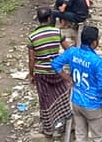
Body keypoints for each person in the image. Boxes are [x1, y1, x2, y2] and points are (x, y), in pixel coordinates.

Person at [51, 26, 102, 141]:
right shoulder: (97, 61)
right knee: (97, 136)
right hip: (92, 104)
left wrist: (68, 78)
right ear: (94, 42)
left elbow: (55, 64)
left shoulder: (72, 52)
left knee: (81, 135)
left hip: (76, 101)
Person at [28, 7, 73, 137]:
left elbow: (31, 58)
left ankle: (48, 128)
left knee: (45, 98)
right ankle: (62, 123)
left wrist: (31, 74)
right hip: (56, 71)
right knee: (62, 93)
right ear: (49, 19)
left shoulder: (32, 37)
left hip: (41, 73)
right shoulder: (57, 32)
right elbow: (68, 50)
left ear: (38, 19)